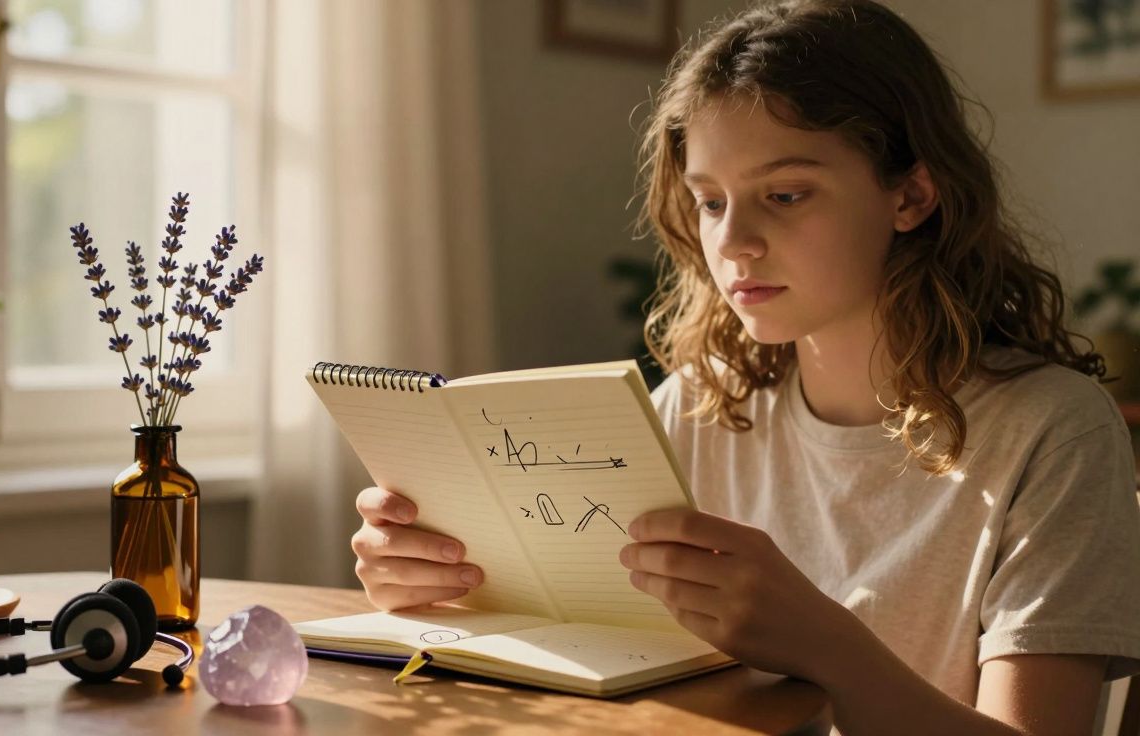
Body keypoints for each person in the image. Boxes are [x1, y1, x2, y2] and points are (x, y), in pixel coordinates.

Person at [348, 1, 1140, 732]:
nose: (732, 243)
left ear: (913, 197)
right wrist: (445, 592)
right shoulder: (701, 408)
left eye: (787, 194)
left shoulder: (1052, 432)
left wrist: (828, 646)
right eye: (711, 200)